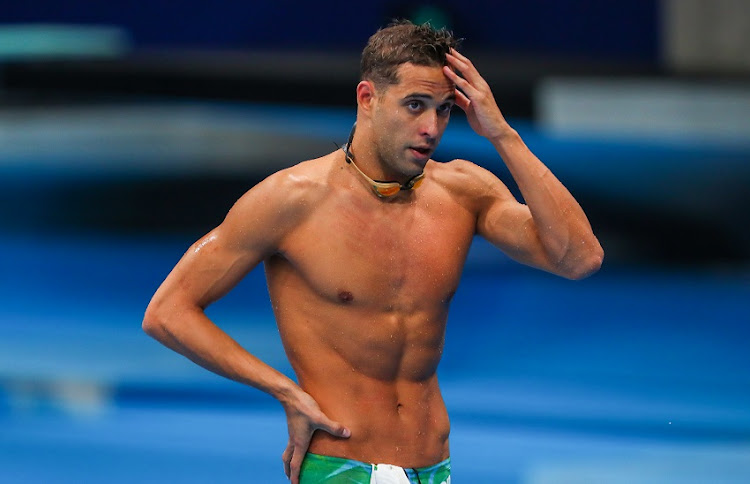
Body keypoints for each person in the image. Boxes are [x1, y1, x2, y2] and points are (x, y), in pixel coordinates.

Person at [143, 20, 603, 484]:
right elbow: (167, 312)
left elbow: (579, 258)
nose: (431, 128)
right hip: (341, 464)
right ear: (368, 98)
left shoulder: (465, 192)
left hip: (434, 464)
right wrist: (284, 391)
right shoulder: (291, 199)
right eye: (415, 106)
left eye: (444, 110)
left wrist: (503, 134)